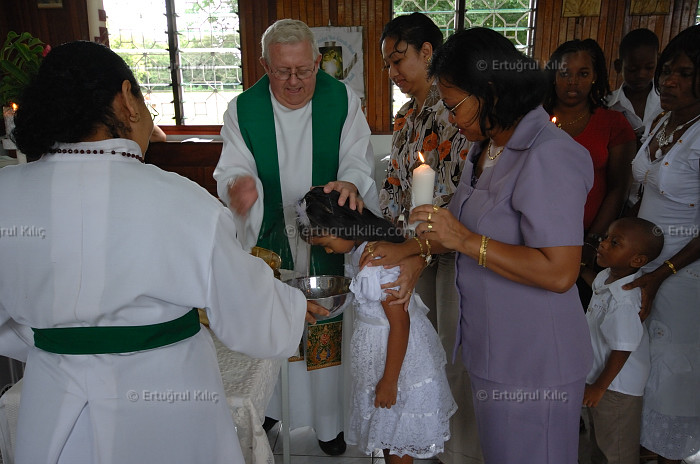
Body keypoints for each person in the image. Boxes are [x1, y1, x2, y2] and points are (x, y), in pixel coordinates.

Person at [0, 41, 326, 464]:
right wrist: (292, 304)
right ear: (125, 100)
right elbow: (247, 311)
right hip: (167, 405)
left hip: (53, 402)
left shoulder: (7, 195)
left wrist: (58, 341)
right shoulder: (180, 200)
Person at [362, 28, 594, 463]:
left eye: (454, 105)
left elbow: (561, 272)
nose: (450, 119)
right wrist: (414, 251)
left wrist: (465, 240)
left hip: (535, 357)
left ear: (489, 91)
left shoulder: (549, 154)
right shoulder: (485, 147)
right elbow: (460, 227)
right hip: (492, 347)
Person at [213, 19, 379, 455]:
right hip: (271, 238)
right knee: (274, 322)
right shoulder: (242, 109)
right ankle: (270, 407)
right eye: (282, 71)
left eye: (304, 70)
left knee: (326, 325)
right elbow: (231, 167)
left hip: (325, 239)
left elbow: (358, 156)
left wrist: (351, 183)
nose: (294, 81)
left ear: (318, 61)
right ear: (264, 64)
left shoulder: (342, 99)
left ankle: (328, 425)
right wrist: (238, 187)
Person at [378, 13, 481, 464]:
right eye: (387, 64)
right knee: (419, 350)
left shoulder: (455, 111)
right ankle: (427, 442)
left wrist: (425, 244)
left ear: (428, 52)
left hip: (450, 250)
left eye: (399, 60)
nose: (393, 73)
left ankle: (461, 451)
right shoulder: (405, 116)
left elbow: (462, 191)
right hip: (410, 247)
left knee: (453, 353)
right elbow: (394, 186)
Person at [297, 187, 456, 464]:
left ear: (342, 225)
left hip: (399, 364)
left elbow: (400, 324)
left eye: (325, 242)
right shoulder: (359, 250)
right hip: (382, 360)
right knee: (387, 437)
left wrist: (390, 381)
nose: (326, 249)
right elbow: (363, 299)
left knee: (397, 443)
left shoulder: (377, 261)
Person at [625, 24, 700, 464]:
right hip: (645, 261)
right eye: (667, 71)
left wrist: (662, 273)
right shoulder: (660, 122)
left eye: (684, 73)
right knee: (643, 357)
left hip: (685, 270)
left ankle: (671, 452)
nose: (669, 81)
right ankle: (641, 446)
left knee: (677, 368)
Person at [544, 39, 637, 306]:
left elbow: (618, 188)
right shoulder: (533, 119)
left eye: (583, 74)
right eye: (564, 73)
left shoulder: (613, 123)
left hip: (588, 237)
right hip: (536, 236)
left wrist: (592, 240)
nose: (573, 81)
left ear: (595, 76)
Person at [580, 217, 663, 464]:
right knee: (602, 443)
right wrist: (578, 266)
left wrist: (598, 388)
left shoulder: (625, 301)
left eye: (614, 243)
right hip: (603, 381)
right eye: (606, 237)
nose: (603, 244)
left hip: (616, 388)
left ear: (637, 260)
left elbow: (622, 350)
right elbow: (594, 284)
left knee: (616, 451)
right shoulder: (608, 276)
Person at [606, 28, 662, 211]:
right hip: (617, 197)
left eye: (649, 68)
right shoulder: (607, 106)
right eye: (632, 69)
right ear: (618, 66)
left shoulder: (667, 105)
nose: (641, 74)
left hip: (657, 198)